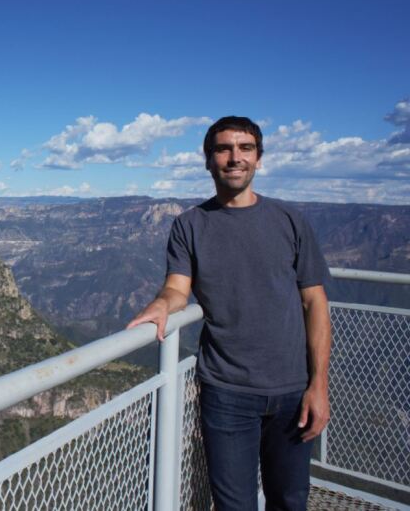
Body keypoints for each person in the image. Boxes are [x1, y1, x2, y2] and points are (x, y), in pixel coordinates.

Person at [127, 116, 331, 510]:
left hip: (292, 389)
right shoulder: (189, 225)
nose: (234, 157)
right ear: (208, 161)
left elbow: (315, 302)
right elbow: (176, 288)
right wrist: (160, 304)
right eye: (223, 149)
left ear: (258, 159)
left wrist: (318, 385)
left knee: (291, 499)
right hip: (226, 392)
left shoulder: (290, 220)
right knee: (234, 504)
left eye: (245, 148)